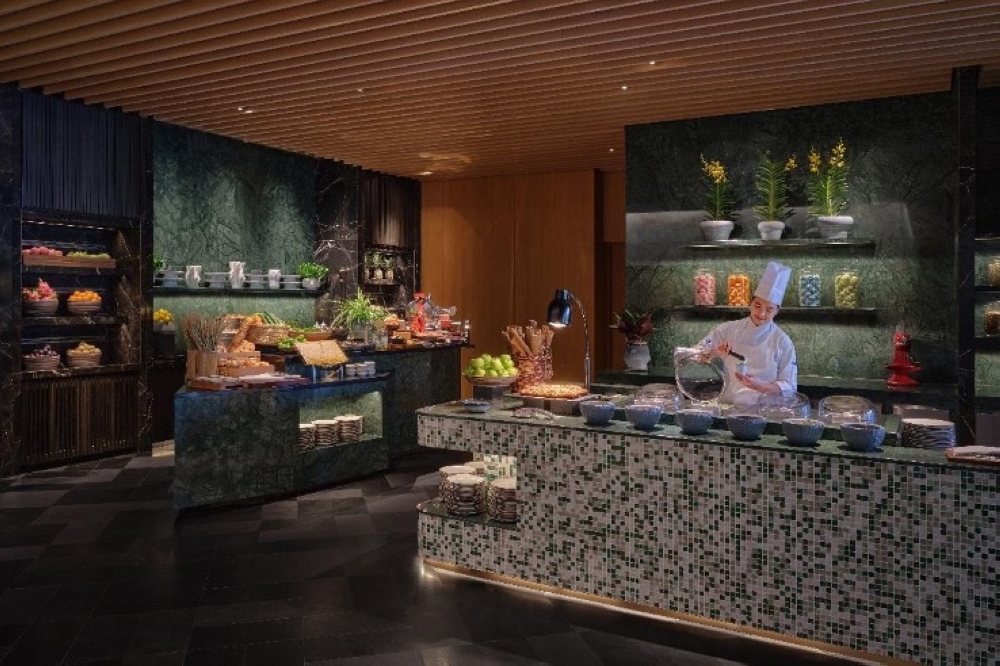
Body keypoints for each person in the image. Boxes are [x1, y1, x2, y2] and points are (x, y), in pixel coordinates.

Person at [696, 261, 797, 407]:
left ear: (777, 311)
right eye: (757, 306)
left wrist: (759, 385)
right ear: (750, 303)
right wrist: (713, 351)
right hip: (728, 407)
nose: (761, 313)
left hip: (764, 410)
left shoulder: (782, 341)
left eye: (769, 310)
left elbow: (790, 386)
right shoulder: (728, 329)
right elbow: (697, 355)